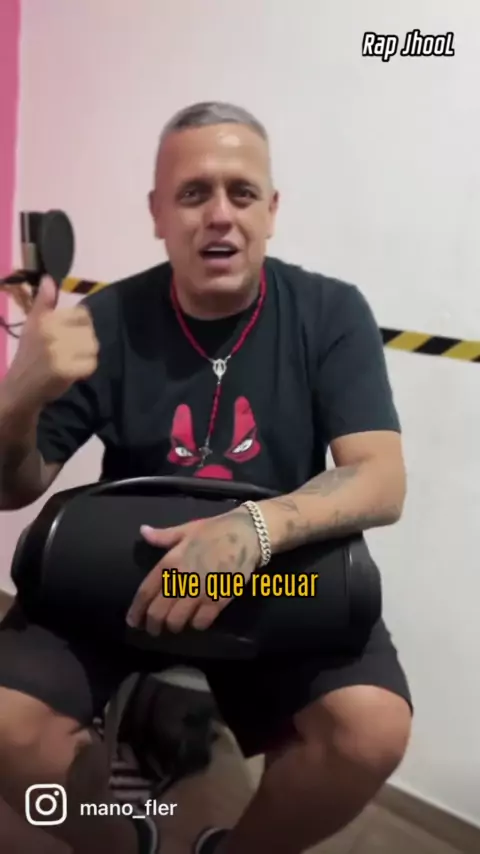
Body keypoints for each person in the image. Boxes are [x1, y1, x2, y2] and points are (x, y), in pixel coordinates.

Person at [0, 101, 412, 854]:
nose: (220, 214)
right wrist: (18, 395)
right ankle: (117, 843)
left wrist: (254, 529)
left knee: (370, 731)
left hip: (273, 578)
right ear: (157, 213)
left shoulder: (331, 313)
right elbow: (12, 488)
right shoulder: (107, 320)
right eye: (193, 193)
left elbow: (381, 480)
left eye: (241, 192)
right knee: (6, 725)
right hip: (129, 576)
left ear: (271, 210)